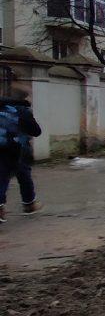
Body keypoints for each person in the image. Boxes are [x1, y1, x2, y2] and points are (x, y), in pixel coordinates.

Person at [0, 87, 43, 222]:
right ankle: (29, 205)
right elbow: (36, 131)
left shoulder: (1, 108)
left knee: (2, 177)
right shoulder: (22, 111)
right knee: (24, 175)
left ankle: (1, 207)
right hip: (18, 149)